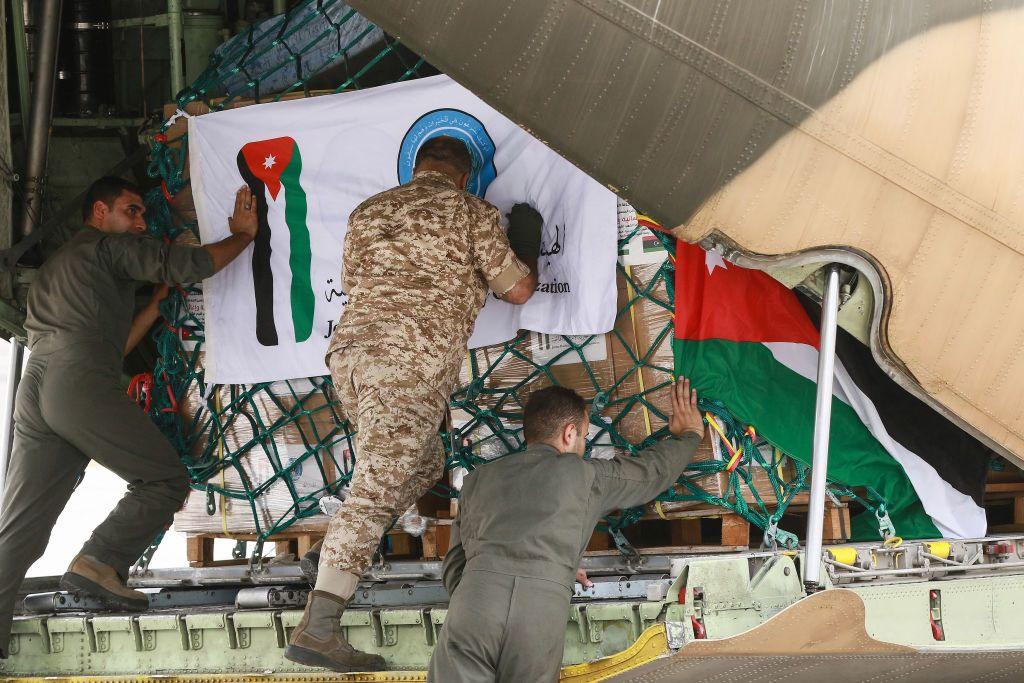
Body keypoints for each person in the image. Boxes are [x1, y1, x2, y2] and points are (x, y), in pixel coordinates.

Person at [285, 136, 541, 672]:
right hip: (410, 367)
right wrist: (528, 242)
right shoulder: (471, 212)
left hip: (353, 360)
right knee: (376, 492)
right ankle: (320, 626)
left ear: (417, 169)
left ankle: (328, 555)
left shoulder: (369, 211)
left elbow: (355, 283)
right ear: (465, 175)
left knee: (421, 463)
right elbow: (516, 291)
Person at [0, 176, 259, 658]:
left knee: (21, 523)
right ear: (100, 212)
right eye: (131, 211)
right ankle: (99, 561)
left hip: (39, 385)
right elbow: (187, 264)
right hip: (75, 383)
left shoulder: (61, 267)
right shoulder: (107, 247)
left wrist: (154, 310)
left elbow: (102, 348)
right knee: (163, 479)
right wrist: (243, 234)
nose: (140, 223)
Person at [429, 378, 706, 682]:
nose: (584, 445)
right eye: (585, 437)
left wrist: (482, 595)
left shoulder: (478, 479)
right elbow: (650, 472)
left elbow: (456, 561)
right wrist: (689, 435)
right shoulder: (584, 475)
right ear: (569, 433)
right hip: (539, 612)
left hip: (474, 603)